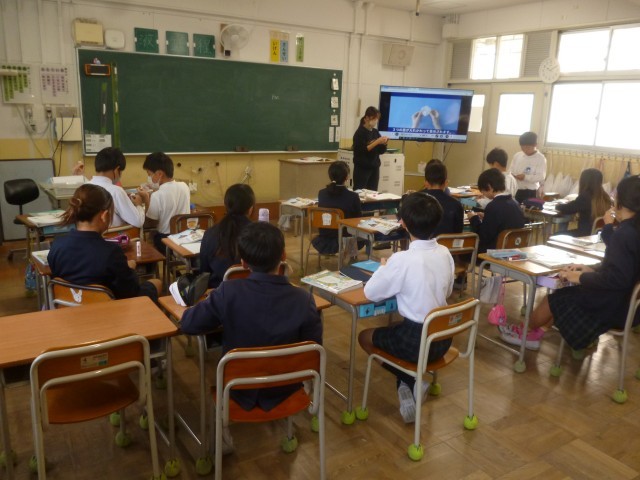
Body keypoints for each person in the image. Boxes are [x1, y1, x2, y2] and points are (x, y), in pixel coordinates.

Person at [180, 222, 323, 412]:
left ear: (243, 262)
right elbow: (313, 350)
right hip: (286, 387)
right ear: (283, 256)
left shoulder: (228, 292)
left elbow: (189, 324)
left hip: (238, 388)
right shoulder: (304, 299)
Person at [498, 175, 640, 351]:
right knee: (562, 296)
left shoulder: (624, 234)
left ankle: (524, 332)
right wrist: (589, 270)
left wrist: (580, 277)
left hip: (610, 306)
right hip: (625, 304)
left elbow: (617, 278)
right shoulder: (632, 230)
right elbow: (622, 269)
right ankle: (536, 334)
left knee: (552, 300)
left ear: (622, 201)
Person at [358, 192, 454, 423]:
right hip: (442, 338)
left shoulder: (402, 260)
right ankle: (409, 380)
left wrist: (384, 267)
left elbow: (370, 293)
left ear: (403, 223)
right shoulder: (445, 252)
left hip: (415, 341)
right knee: (396, 331)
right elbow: (448, 292)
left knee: (364, 337)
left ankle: (409, 378)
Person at [47, 184, 161, 301]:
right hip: (108, 308)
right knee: (156, 283)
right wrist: (129, 269)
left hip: (69, 306)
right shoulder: (111, 252)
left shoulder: (57, 245)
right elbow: (131, 291)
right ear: (104, 216)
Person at [200, 184, 255, 288]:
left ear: (225, 205)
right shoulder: (263, 234)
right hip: (256, 291)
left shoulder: (211, 233)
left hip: (219, 291)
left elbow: (204, 273)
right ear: (251, 208)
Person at [137, 152, 191, 252]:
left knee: (151, 236)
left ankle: (156, 260)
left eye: (150, 174)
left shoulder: (157, 195)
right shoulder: (184, 186)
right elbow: (170, 192)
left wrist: (145, 200)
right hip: (184, 237)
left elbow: (150, 223)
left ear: (159, 174)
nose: (149, 178)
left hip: (166, 240)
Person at [312, 161, 367, 254]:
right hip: (345, 238)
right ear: (346, 177)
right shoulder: (353, 196)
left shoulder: (321, 193)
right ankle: (352, 257)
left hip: (324, 237)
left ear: (330, 175)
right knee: (363, 230)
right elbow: (358, 219)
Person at [467, 168, 525, 254]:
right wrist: (486, 216)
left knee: (465, 248)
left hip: (495, 252)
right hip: (514, 251)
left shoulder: (493, 206)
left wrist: (474, 218)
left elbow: (483, 236)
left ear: (489, 187)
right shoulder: (516, 204)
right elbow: (504, 221)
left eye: (482, 191)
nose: (483, 194)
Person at [88, 147, 145, 228]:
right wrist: (139, 205)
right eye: (121, 171)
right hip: (112, 235)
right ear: (117, 170)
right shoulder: (116, 191)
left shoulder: (83, 187)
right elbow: (138, 222)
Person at [555, 168, 611, 237]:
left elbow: (568, 209)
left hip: (584, 235)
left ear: (584, 181)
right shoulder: (605, 197)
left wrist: (557, 206)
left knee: (556, 235)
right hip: (598, 235)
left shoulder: (585, 197)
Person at [420, 160, 463, 237]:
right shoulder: (456, 204)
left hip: (423, 244)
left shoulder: (417, 201)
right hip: (447, 244)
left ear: (426, 182)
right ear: (446, 183)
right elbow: (458, 232)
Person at [352, 106, 388, 191]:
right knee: (360, 192)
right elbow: (362, 150)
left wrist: (384, 143)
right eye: (374, 118)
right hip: (362, 169)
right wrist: (377, 141)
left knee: (373, 192)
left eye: (377, 119)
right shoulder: (359, 133)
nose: (376, 121)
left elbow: (381, 151)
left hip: (374, 168)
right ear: (367, 118)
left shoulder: (375, 132)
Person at [511, 131, 547, 204]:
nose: (525, 150)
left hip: (530, 192)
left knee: (527, 209)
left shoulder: (540, 158)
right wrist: (513, 175)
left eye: (527, 147)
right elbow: (511, 170)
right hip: (515, 189)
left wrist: (525, 177)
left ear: (535, 145)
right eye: (522, 147)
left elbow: (541, 176)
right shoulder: (518, 155)